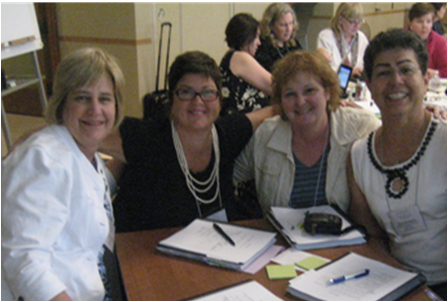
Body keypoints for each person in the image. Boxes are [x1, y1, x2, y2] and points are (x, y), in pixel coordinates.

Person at [100, 51, 276, 233]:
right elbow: (85, 130)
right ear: (171, 99)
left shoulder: (226, 134)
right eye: (186, 92)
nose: (198, 101)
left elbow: (271, 112)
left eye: (207, 92)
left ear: (220, 100)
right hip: (140, 251)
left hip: (209, 250)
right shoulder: (147, 137)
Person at [2, 48, 125, 301]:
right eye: (82, 98)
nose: (95, 109)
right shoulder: (43, 160)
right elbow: (24, 263)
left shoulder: (87, 153)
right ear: (62, 103)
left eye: (104, 99)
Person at [348, 28, 447, 300]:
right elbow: (373, 236)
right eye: (383, 72)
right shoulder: (359, 156)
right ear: (368, 84)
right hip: (394, 283)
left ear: (426, 79)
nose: (395, 81)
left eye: (406, 69)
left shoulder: (444, 144)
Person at [233, 51, 381, 213]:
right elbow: (230, 177)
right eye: (290, 94)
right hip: (282, 237)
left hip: (349, 237)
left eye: (309, 91)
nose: (300, 102)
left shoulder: (361, 127)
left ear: (328, 91)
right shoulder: (267, 134)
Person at [220, 13, 272, 116]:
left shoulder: (230, 56)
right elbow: (275, 87)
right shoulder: (240, 58)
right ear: (247, 37)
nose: (259, 43)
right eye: (256, 36)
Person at [317, 2, 369, 78]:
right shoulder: (326, 36)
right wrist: (350, 73)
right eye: (352, 22)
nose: (357, 26)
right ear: (340, 20)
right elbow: (325, 73)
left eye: (360, 21)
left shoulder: (361, 38)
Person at [254, 2, 302, 72]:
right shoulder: (262, 47)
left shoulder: (293, 43)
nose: (289, 29)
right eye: (283, 25)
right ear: (271, 25)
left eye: (291, 23)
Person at [408, 2, 447, 78]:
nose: (425, 26)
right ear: (410, 23)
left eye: (428, 21)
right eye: (420, 21)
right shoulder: (401, 40)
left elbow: (445, 71)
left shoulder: (439, 42)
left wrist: (433, 73)